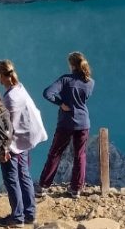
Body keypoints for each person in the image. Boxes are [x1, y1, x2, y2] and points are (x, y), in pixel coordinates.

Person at [0, 60, 47, 228]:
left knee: (11, 179)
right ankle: (30, 214)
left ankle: (17, 218)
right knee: (24, 176)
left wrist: (3, 149)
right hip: (24, 141)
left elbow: (6, 127)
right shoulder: (20, 89)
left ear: (1, 76)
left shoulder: (9, 98)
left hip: (12, 145)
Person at [37, 51, 95, 199]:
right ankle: (76, 189)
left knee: (55, 153)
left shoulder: (65, 80)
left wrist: (61, 103)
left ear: (71, 65)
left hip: (66, 123)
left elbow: (47, 93)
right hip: (83, 122)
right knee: (80, 155)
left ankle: (43, 186)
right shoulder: (90, 82)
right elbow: (85, 98)